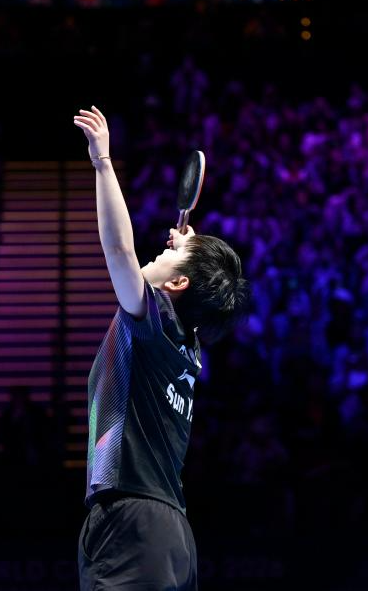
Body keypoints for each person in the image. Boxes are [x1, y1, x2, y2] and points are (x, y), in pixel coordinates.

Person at [72, 106, 250, 590]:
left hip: (133, 525)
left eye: (170, 253)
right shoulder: (186, 344)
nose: (163, 246)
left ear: (178, 285)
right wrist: (187, 253)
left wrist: (102, 163)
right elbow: (190, 291)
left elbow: (120, 252)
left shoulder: (152, 324)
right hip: (167, 534)